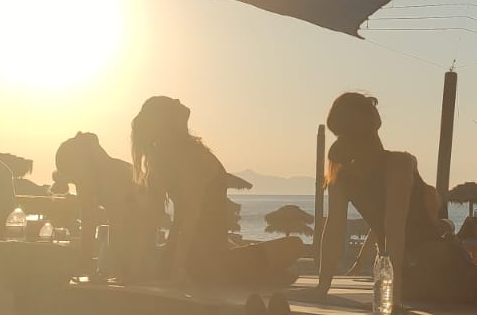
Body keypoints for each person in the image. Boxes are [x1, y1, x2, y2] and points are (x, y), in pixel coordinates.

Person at [316, 92, 477, 304]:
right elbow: (395, 229)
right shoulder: (398, 163)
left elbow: (334, 231)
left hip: (404, 279)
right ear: (375, 122)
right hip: (439, 273)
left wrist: (322, 287)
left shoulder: (339, 172)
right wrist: (393, 302)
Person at [132, 96, 301, 285]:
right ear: (167, 120)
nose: (179, 100)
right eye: (172, 102)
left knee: (281, 262)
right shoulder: (191, 157)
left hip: (195, 256)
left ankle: (254, 277)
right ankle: (246, 277)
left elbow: (155, 220)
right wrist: (176, 271)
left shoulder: (170, 157)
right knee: (294, 245)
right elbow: (190, 218)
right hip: (203, 262)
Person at [54, 132, 158, 280]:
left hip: (142, 231)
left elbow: (118, 225)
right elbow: (88, 222)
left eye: (75, 175)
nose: (76, 182)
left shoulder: (114, 174)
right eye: (72, 178)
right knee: (106, 266)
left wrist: (116, 268)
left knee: (123, 269)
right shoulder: (85, 181)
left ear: (84, 167)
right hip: (121, 232)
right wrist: (85, 264)